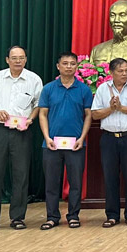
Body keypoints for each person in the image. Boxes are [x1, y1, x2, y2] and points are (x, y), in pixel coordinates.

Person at [0, 46, 43, 233]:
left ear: (26, 59)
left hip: (22, 131)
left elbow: (39, 105)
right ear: (7, 59)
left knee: (21, 175)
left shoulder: (34, 79)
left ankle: (18, 217)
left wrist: (31, 119)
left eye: (21, 58)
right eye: (14, 58)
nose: (18, 61)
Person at [37, 52, 93, 230]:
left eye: (72, 63)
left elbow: (88, 115)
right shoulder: (48, 89)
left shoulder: (84, 89)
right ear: (58, 66)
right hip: (51, 144)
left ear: (77, 67)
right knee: (51, 183)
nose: (69, 66)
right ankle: (52, 217)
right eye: (65, 63)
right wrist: (47, 137)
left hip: (76, 144)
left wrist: (82, 138)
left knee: (76, 183)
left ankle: (73, 216)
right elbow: (42, 114)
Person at [91, 57, 127, 228]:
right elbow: (95, 114)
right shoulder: (103, 89)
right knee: (110, 178)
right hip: (109, 139)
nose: (124, 74)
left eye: (126, 70)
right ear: (111, 72)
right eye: (120, 71)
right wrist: (111, 108)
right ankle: (112, 215)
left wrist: (121, 108)